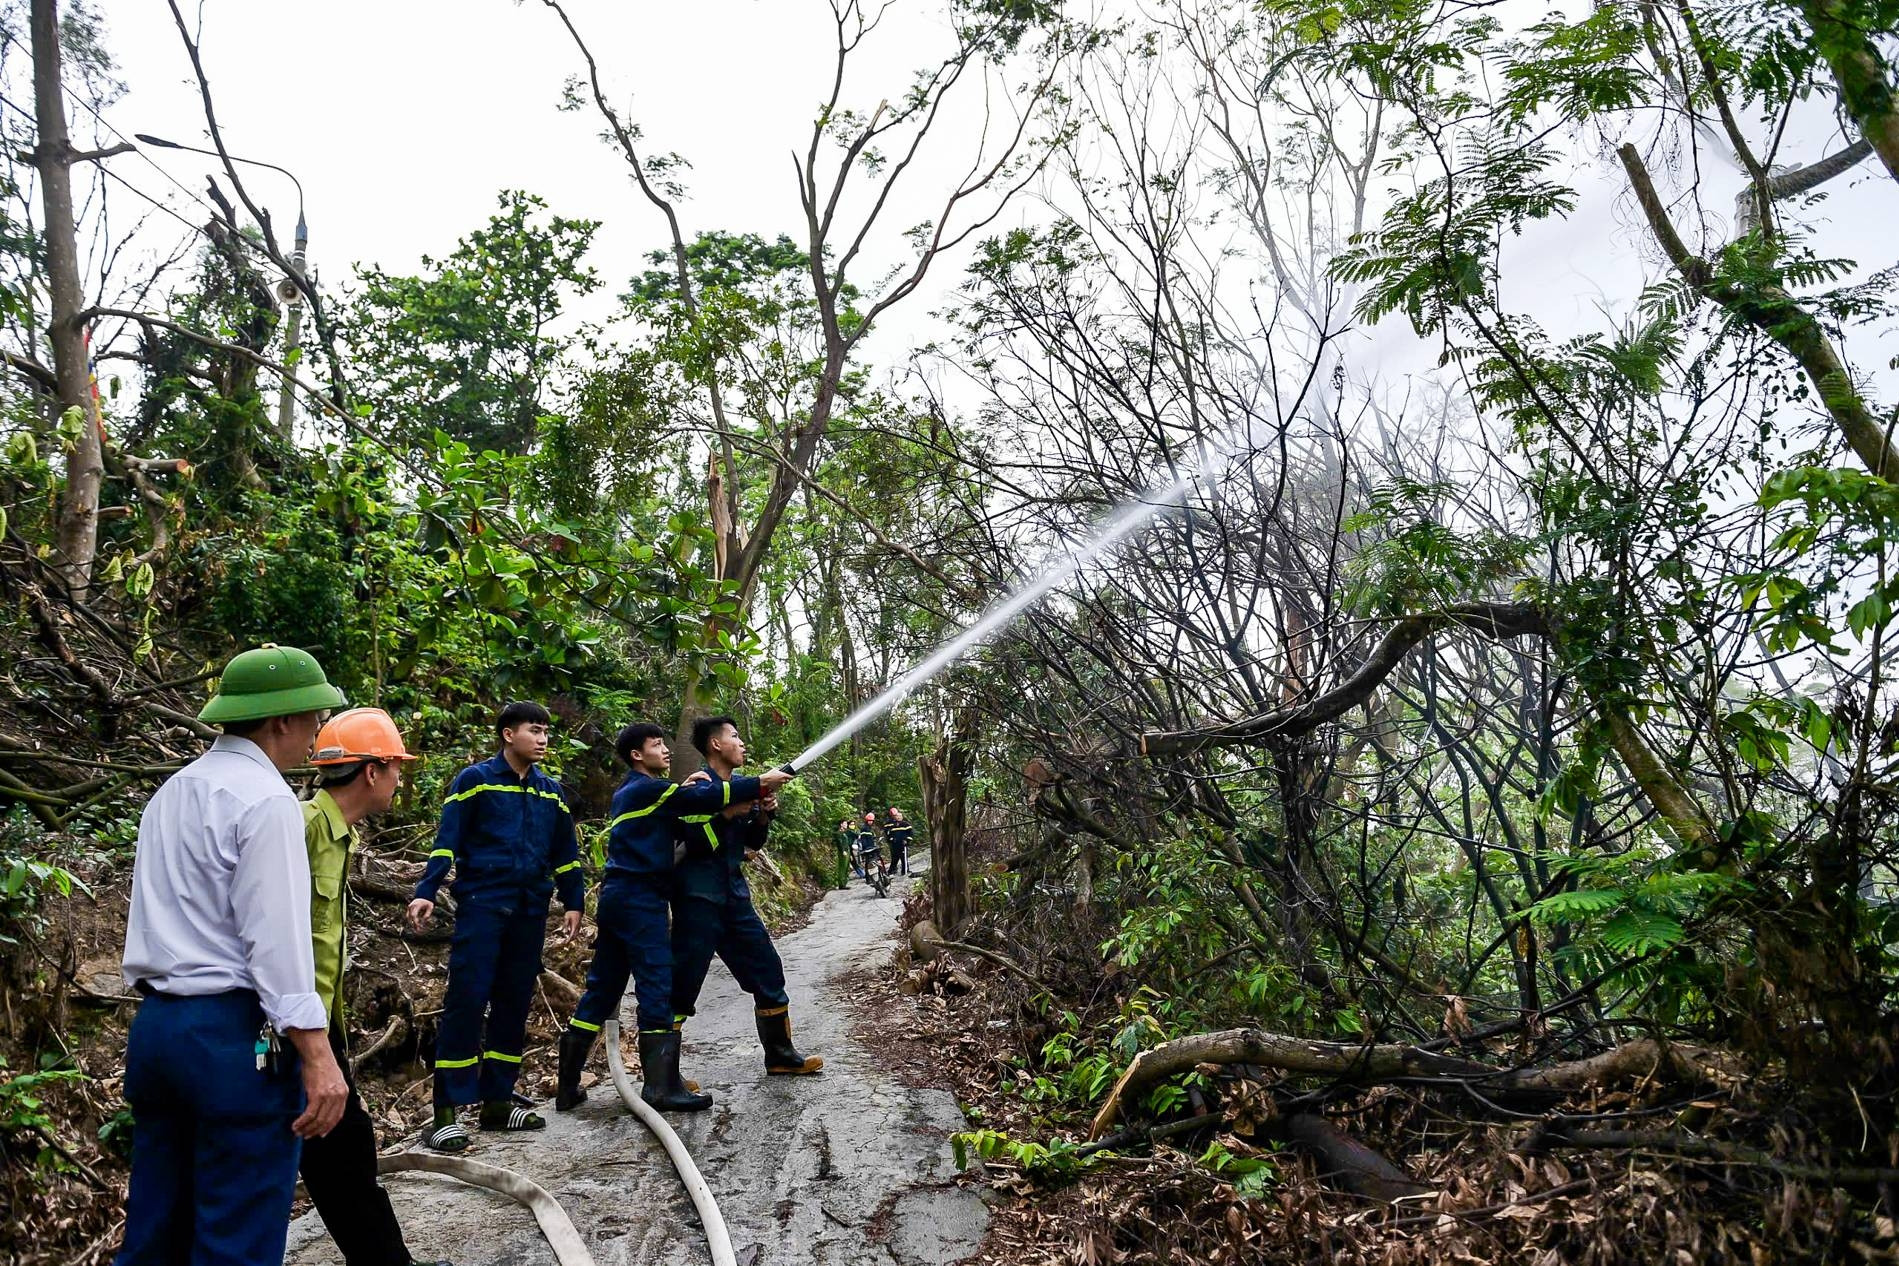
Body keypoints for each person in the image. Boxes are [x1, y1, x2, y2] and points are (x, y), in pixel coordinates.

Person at [117, 644, 351, 1266]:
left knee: (156, 1230)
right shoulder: (266, 799)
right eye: (312, 718)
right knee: (237, 1236)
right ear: (279, 721)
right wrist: (319, 1057)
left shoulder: (174, 790)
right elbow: (275, 942)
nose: (317, 734)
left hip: (159, 1030)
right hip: (229, 1036)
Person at [555, 722, 790, 1113]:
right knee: (657, 983)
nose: (665, 751)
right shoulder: (647, 789)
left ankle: (568, 1086)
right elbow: (707, 807)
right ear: (636, 755)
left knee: (603, 989)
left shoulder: (642, 793)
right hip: (640, 898)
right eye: (657, 745)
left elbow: (702, 809)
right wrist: (760, 783)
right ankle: (661, 1087)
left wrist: (741, 808)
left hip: (618, 897)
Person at [299, 709, 450, 1266]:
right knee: (336, 1152)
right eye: (395, 768)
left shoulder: (339, 834)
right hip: (291, 1029)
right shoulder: (303, 827)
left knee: (343, 1152)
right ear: (371, 772)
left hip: (320, 1024)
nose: (399, 779)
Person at [407, 701, 585, 1151]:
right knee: (467, 998)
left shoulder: (550, 791)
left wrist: (573, 901)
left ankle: (498, 1102)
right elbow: (448, 840)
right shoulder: (475, 781)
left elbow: (566, 853)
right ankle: (445, 1111)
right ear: (508, 735)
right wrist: (427, 888)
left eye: (546, 731)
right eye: (534, 730)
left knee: (513, 1000)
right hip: (484, 903)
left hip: (530, 906)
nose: (543, 739)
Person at [669, 715, 822, 1076]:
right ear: (715, 745)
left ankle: (780, 1055)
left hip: (734, 897)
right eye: (735, 737)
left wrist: (763, 815)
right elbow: (692, 844)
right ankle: (664, 1076)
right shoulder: (697, 790)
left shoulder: (740, 788)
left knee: (768, 970)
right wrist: (725, 815)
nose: (742, 743)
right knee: (682, 983)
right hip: (697, 899)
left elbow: (752, 842)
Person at [885, 806, 915, 877]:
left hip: (902, 844)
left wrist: (907, 840)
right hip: (894, 844)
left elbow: (911, 833)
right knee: (894, 858)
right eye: (896, 816)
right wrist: (891, 839)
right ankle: (891, 871)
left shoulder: (905, 824)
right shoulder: (891, 824)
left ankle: (905, 871)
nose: (897, 817)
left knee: (903, 858)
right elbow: (888, 834)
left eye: (899, 816)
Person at [833, 816, 857, 888]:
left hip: (847, 851)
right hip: (843, 852)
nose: (846, 825)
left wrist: (850, 854)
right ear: (841, 824)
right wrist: (842, 851)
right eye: (845, 823)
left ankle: (844, 883)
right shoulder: (838, 833)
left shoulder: (845, 832)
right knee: (842, 867)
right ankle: (841, 884)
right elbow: (839, 843)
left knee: (846, 867)